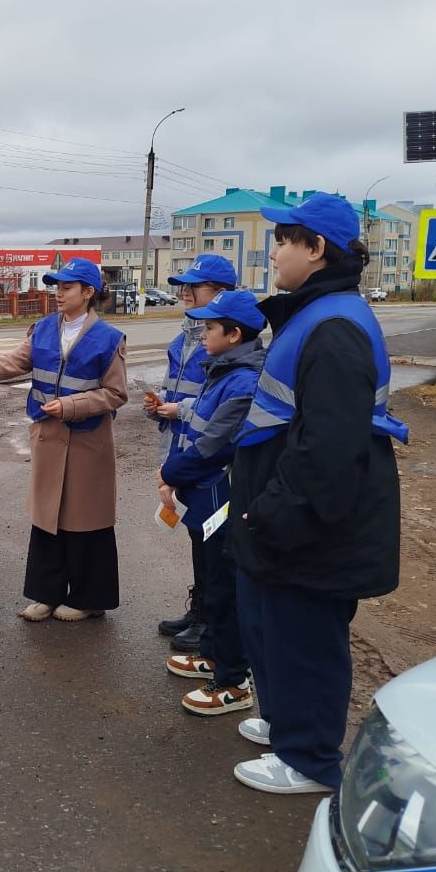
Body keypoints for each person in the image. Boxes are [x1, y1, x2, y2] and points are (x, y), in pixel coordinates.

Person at [228, 192, 407, 794]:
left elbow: (328, 450)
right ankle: (286, 724)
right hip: (287, 515)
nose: (273, 251)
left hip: (310, 522)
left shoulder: (335, 328)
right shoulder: (317, 312)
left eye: (283, 241)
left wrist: (273, 513)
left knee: (307, 638)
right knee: (277, 629)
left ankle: (308, 759)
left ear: (316, 249)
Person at [0, 258, 127, 621]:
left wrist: (73, 405)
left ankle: (87, 598)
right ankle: (46, 593)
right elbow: (13, 363)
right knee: (48, 517)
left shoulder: (109, 339)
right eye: (56, 287)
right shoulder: (44, 329)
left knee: (85, 521)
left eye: (66, 287)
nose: (58, 294)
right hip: (48, 436)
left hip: (88, 442)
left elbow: (116, 394)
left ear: (88, 292)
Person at [156, 289, 265, 716]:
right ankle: (213, 656)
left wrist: (171, 474)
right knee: (210, 578)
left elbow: (215, 446)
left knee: (224, 587)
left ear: (234, 335)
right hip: (203, 495)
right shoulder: (223, 370)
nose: (202, 334)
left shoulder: (242, 380)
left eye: (211, 328)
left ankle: (233, 681)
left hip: (221, 497)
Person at [145, 254, 238, 652]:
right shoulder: (182, 338)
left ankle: (213, 622)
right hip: (182, 450)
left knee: (215, 541)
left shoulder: (227, 338)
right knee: (197, 535)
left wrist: (177, 409)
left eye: (193, 286)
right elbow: (178, 391)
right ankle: (200, 609)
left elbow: (219, 406)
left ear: (219, 294)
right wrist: (160, 408)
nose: (184, 292)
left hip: (211, 459)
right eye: (183, 285)